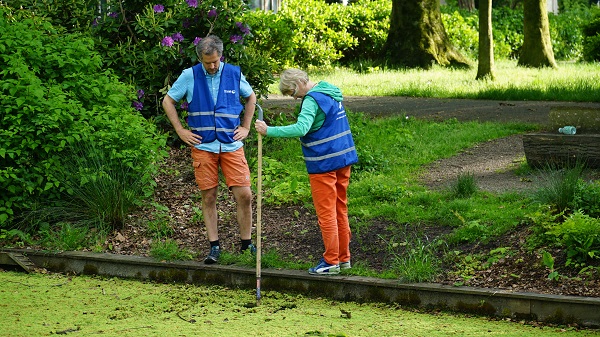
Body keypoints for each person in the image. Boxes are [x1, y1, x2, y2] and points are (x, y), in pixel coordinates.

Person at [162, 35, 257, 264]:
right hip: (203, 145)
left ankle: (246, 244)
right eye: (208, 62)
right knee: (209, 196)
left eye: (215, 61)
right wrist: (180, 130)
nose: (213, 66)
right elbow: (168, 101)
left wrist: (245, 127)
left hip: (232, 144)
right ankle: (214, 246)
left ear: (220, 56)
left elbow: (251, 97)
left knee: (245, 195)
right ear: (200, 59)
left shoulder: (233, 73)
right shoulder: (189, 75)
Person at [254, 68, 358, 275]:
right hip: (343, 159)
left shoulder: (311, 100)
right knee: (340, 209)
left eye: (292, 92)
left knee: (326, 213)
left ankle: (331, 261)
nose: (294, 97)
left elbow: (302, 128)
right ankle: (343, 258)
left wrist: (269, 131)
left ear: (300, 82)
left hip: (324, 163)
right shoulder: (330, 92)